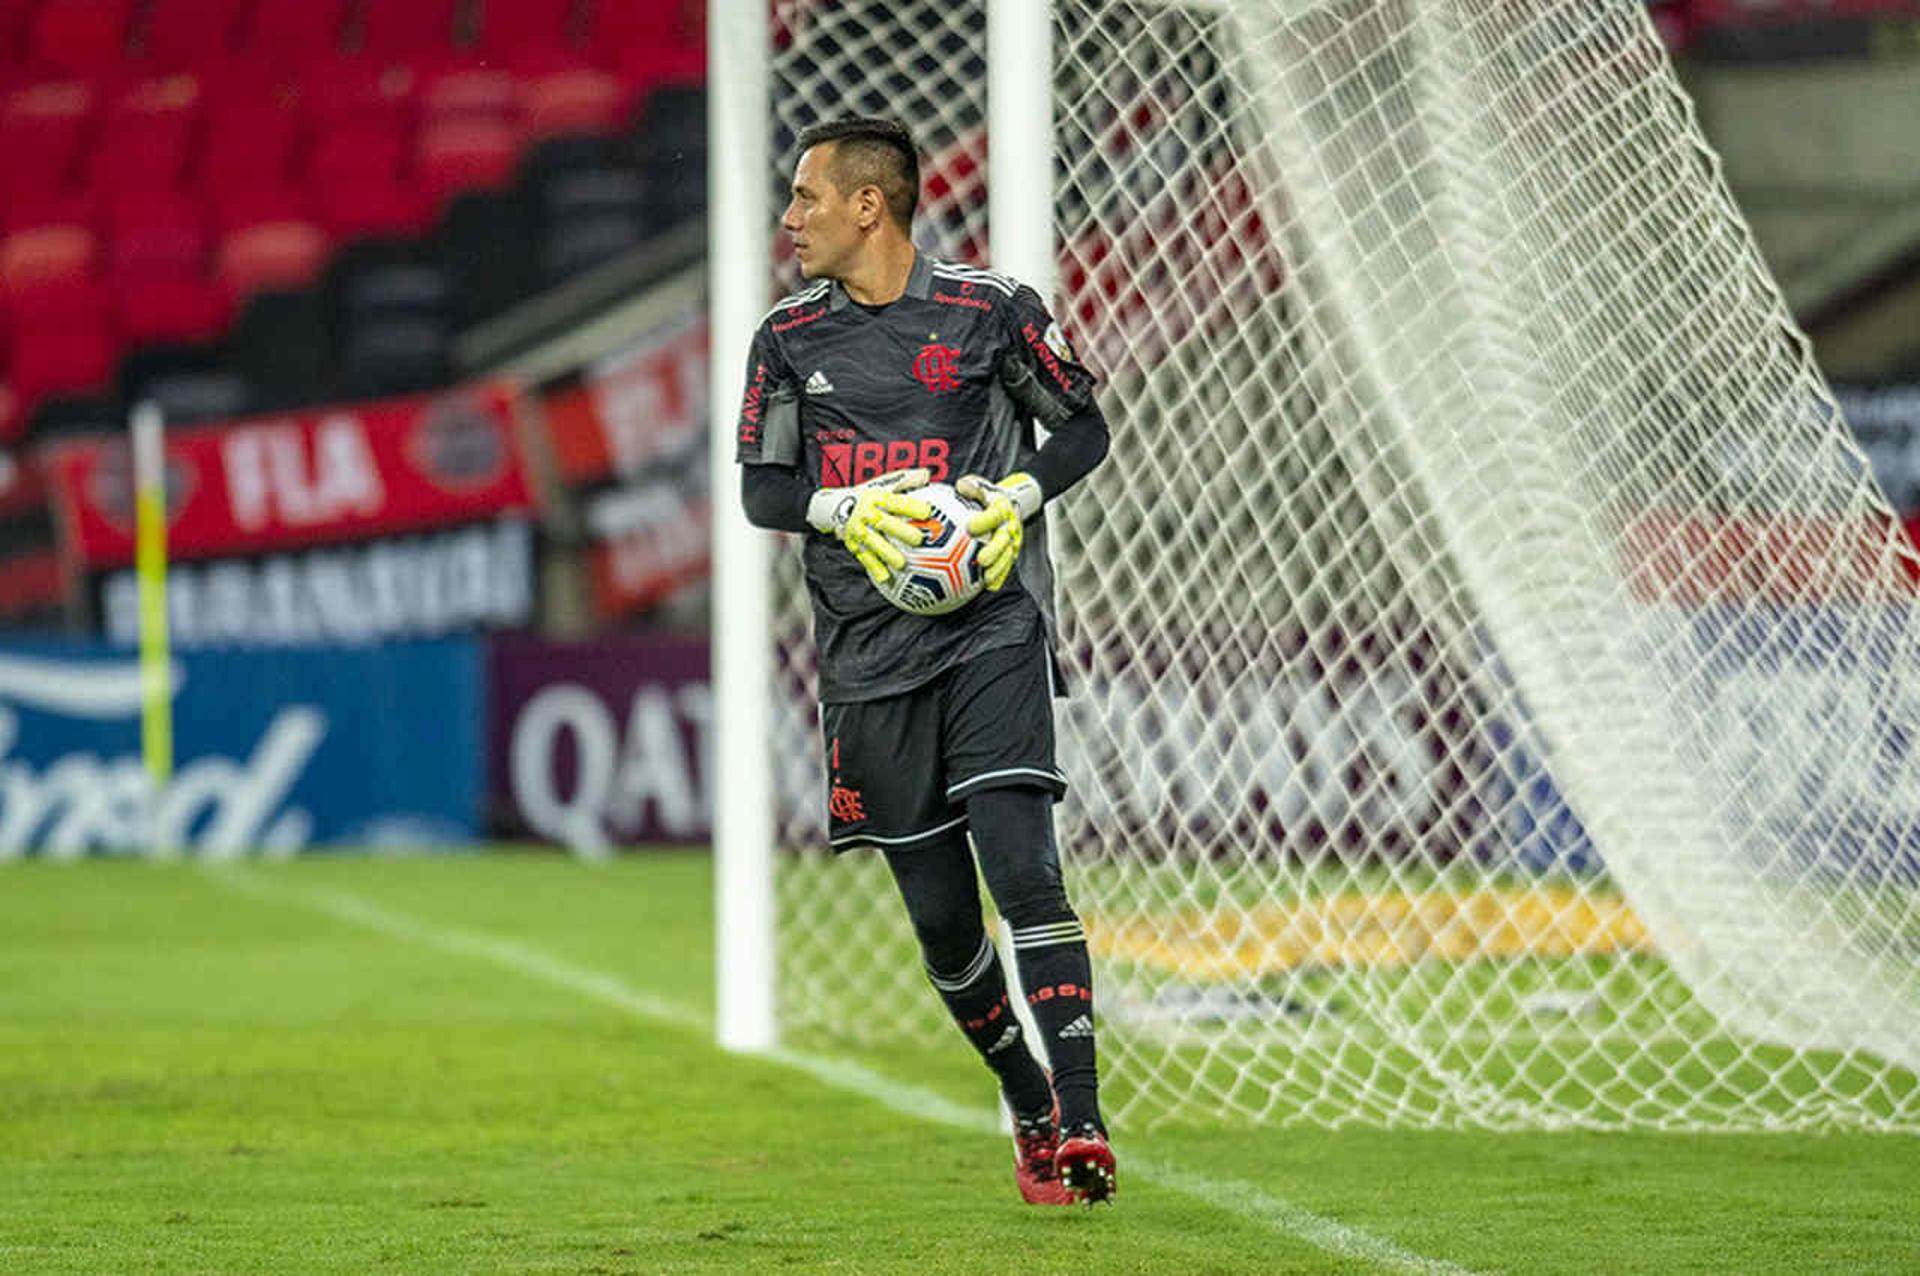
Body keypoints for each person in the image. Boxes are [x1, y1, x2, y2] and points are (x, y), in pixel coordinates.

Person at [734, 116, 1115, 1205]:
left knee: (1023, 863)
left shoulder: (990, 311)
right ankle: (1028, 1105)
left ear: (869, 205)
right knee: (945, 927)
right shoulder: (786, 340)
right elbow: (762, 491)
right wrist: (842, 504)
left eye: (807, 196)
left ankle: (1083, 1118)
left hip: (990, 628)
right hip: (865, 664)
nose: (792, 216)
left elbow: (1082, 427)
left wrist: (1015, 494)